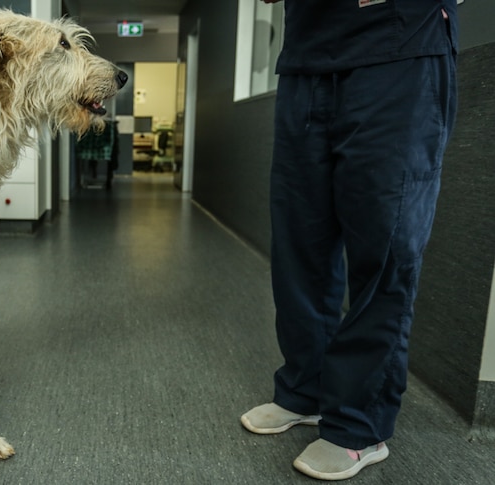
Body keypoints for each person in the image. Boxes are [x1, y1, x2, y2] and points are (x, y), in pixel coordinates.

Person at [242, 0, 458, 481]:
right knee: (300, 247)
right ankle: (305, 390)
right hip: (305, 59)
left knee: (385, 250)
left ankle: (360, 425)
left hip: (399, 50)